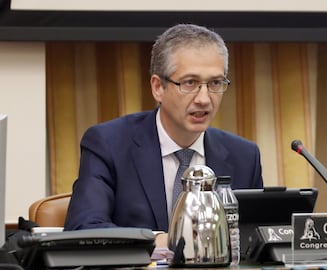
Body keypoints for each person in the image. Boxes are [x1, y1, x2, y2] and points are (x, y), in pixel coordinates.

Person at [64, 24, 263, 239]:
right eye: (190, 83)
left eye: (215, 83)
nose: (204, 99)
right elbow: (83, 228)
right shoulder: (109, 145)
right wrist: (159, 241)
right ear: (158, 87)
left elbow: (258, 237)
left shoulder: (244, 156)